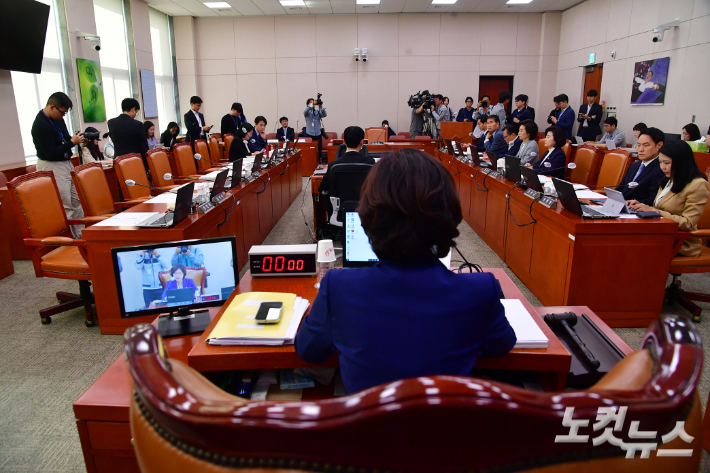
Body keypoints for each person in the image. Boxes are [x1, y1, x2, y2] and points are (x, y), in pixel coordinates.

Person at [295, 148, 516, 394]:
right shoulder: (481, 289)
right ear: (449, 214)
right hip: (446, 427)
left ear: (368, 216)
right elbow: (500, 346)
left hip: (365, 429)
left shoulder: (339, 286)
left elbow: (309, 351)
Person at [628, 140, 709, 257]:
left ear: (681, 163)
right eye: (660, 162)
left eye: (667, 163)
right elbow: (660, 208)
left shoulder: (698, 184)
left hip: (680, 241)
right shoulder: (668, 179)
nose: (662, 167)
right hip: (661, 233)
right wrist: (641, 206)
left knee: (630, 245)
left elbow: (688, 223)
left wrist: (655, 212)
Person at [32, 92, 86, 234]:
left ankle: (81, 236)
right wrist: (71, 143)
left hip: (66, 163)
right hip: (52, 165)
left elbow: (67, 139)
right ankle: (70, 241)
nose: (63, 116)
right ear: (52, 107)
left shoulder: (57, 119)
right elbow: (51, 153)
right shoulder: (40, 125)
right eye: (62, 113)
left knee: (76, 201)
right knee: (65, 204)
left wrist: (78, 139)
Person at [318, 126, 375, 195]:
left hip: (339, 205)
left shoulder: (333, 165)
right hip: (364, 204)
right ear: (362, 143)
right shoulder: (370, 163)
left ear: (344, 142)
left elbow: (322, 188)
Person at [618, 127, 666, 205]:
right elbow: (621, 188)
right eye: (639, 145)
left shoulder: (661, 169)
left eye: (646, 145)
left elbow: (653, 200)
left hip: (637, 211)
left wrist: (633, 204)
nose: (640, 149)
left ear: (659, 145)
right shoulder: (634, 166)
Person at [107, 97, 149, 167]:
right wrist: (147, 167)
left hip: (119, 164)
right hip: (135, 163)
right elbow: (144, 148)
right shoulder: (138, 124)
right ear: (133, 109)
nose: (135, 114)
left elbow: (114, 140)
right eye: (136, 112)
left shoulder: (111, 123)